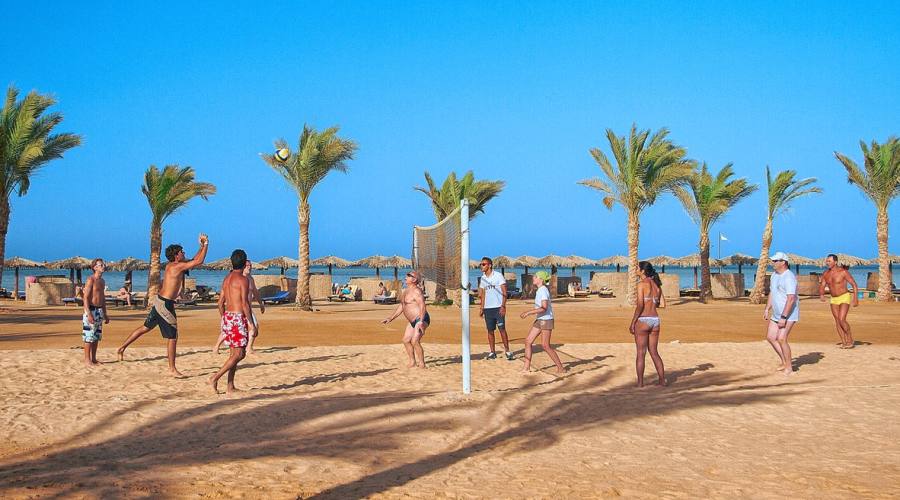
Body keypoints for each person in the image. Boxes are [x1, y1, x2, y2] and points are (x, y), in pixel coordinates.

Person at [117, 233, 209, 377]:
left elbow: (194, 260)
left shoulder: (175, 265)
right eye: (182, 252)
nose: (184, 253)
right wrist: (206, 244)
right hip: (165, 305)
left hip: (161, 301)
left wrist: (201, 246)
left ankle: (122, 348)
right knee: (173, 336)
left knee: (145, 328)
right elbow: (199, 261)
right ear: (177, 256)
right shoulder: (176, 267)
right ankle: (172, 369)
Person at [209, 249, 255, 394]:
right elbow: (245, 303)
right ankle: (214, 377)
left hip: (228, 316)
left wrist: (224, 317)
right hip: (237, 317)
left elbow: (220, 302)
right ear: (244, 263)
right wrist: (251, 323)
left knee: (233, 354)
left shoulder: (226, 279)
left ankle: (230, 386)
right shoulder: (243, 280)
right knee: (239, 354)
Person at [629, 261, 667, 387]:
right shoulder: (657, 286)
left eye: (637, 268)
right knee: (654, 352)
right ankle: (662, 380)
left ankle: (640, 383)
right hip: (655, 320)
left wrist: (633, 321)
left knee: (641, 353)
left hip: (644, 319)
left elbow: (640, 305)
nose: (635, 269)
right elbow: (660, 304)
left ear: (643, 271)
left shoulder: (641, 285)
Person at [215, 259, 265, 354]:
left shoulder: (250, 279)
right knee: (231, 331)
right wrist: (223, 316)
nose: (249, 268)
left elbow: (255, 292)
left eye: (250, 266)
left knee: (253, 326)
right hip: (239, 310)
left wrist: (260, 303)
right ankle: (217, 346)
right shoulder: (238, 279)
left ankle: (249, 347)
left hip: (247, 308)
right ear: (242, 266)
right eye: (247, 266)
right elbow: (222, 300)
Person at [519, 271, 565, 374]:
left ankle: (561, 368)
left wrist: (528, 312)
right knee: (528, 341)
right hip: (540, 319)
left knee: (545, 345)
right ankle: (526, 368)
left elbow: (544, 308)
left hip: (546, 320)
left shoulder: (543, 290)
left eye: (535, 276)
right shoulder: (540, 290)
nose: (533, 278)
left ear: (541, 279)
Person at [381, 270, 429, 368]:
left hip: (421, 318)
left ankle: (422, 364)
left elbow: (422, 306)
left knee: (415, 341)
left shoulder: (417, 291)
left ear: (414, 279)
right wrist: (391, 318)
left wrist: (420, 321)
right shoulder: (405, 290)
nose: (405, 277)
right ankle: (412, 362)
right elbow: (402, 306)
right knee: (406, 340)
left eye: (408, 275)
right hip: (412, 321)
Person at [764, 252, 799, 375]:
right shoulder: (774, 275)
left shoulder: (789, 277)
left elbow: (791, 299)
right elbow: (772, 293)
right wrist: (767, 308)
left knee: (782, 338)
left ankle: (789, 367)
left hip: (788, 314)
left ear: (783, 262)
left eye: (775, 261)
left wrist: (783, 317)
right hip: (776, 314)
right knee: (770, 337)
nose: (773, 263)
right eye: (773, 261)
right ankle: (784, 361)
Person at [819, 253, 859, 349]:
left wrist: (855, 298)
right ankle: (844, 342)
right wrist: (821, 294)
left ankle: (849, 338)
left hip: (844, 296)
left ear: (835, 262)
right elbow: (822, 285)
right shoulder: (825, 273)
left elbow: (854, 285)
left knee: (842, 319)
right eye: (827, 261)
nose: (827, 263)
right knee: (837, 321)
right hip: (833, 299)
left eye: (829, 261)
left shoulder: (843, 272)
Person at [478, 257, 513, 360]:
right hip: (488, 309)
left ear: (489, 265)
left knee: (502, 329)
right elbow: (482, 294)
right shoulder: (483, 278)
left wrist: (503, 306)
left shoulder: (498, 276)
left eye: (483, 264)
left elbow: (504, 292)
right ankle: (492, 352)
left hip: (498, 308)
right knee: (490, 331)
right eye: (481, 264)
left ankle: (508, 351)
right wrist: (481, 308)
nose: (481, 266)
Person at [81, 258, 110, 367]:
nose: (103, 266)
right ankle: (87, 360)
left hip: (99, 310)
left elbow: (102, 298)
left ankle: (93, 358)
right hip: (91, 309)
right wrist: (88, 313)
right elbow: (85, 298)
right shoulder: (90, 280)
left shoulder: (102, 281)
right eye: (101, 265)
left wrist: (105, 313)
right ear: (95, 267)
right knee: (88, 336)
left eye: (103, 264)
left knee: (96, 336)